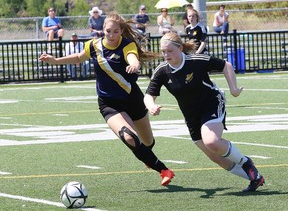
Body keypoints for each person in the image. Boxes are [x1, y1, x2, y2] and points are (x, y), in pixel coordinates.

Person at [39, 13, 175, 186]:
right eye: (108, 31)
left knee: (147, 142)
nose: (111, 35)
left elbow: (132, 57)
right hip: (109, 103)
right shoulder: (94, 45)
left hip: (132, 99)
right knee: (129, 137)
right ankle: (164, 170)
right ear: (102, 30)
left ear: (121, 31)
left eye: (115, 31)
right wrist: (55, 60)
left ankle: (147, 156)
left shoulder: (127, 45)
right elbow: (79, 58)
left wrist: (134, 64)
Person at [143, 32, 265, 192]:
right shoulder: (162, 71)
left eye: (169, 51)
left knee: (211, 141)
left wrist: (234, 89)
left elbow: (225, 65)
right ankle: (254, 178)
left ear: (180, 48)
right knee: (215, 157)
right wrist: (151, 105)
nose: (166, 55)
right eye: (163, 52)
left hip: (211, 103)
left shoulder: (195, 61)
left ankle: (245, 162)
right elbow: (148, 95)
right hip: (191, 114)